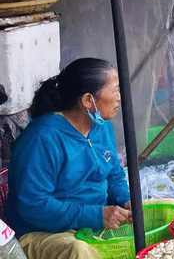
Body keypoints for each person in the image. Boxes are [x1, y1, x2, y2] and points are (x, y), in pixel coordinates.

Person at [6, 59, 132, 259]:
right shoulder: (43, 138)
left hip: (92, 223)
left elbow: (114, 174)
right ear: (88, 101)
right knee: (78, 251)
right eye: (114, 90)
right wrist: (96, 215)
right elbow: (33, 205)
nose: (119, 98)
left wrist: (125, 200)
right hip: (44, 233)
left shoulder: (102, 127)